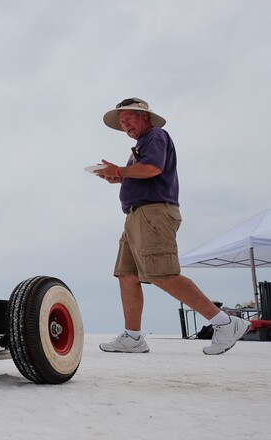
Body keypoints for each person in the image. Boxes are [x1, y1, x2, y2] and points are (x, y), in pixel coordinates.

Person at [93, 97, 250, 355]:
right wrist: (118, 178)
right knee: (127, 274)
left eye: (129, 118)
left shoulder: (155, 135)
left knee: (162, 274)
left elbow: (153, 169)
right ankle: (133, 337)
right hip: (136, 216)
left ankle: (225, 322)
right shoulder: (142, 145)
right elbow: (145, 173)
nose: (125, 125)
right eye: (121, 122)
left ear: (145, 116)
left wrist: (120, 172)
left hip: (153, 214)